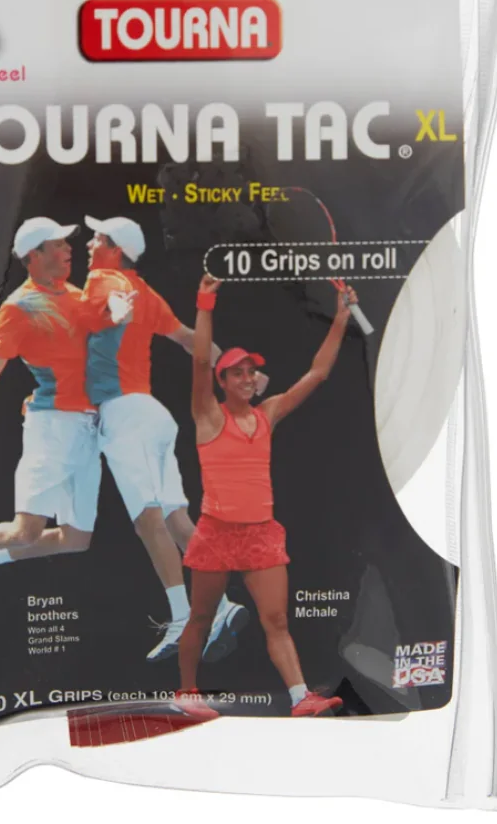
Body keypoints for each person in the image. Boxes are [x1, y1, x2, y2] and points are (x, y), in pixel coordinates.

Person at [174, 274, 355, 719]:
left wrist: (340, 318)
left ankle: (300, 699)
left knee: (277, 621)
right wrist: (204, 302)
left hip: (260, 534)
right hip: (216, 532)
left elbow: (317, 373)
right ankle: (187, 692)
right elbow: (200, 360)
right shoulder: (207, 415)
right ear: (222, 381)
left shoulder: (268, 412)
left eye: (251, 372)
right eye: (237, 372)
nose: (247, 378)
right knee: (201, 619)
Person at [0, 217, 129, 605]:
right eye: (59, 244)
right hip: (51, 428)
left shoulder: (75, 295)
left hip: (88, 430)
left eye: (67, 243)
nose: (69, 249)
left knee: (75, 539)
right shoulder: (17, 308)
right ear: (35, 255)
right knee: (26, 531)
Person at [82, 216, 248, 663]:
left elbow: (105, 311)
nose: (89, 243)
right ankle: (222, 605)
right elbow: (192, 342)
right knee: (176, 519)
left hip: (124, 415)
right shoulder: (146, 291)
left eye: (97, 237)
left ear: (115, 249)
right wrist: (237, 375)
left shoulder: (102, 280)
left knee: (148, 520)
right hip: (154, 416)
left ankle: (183, 617)